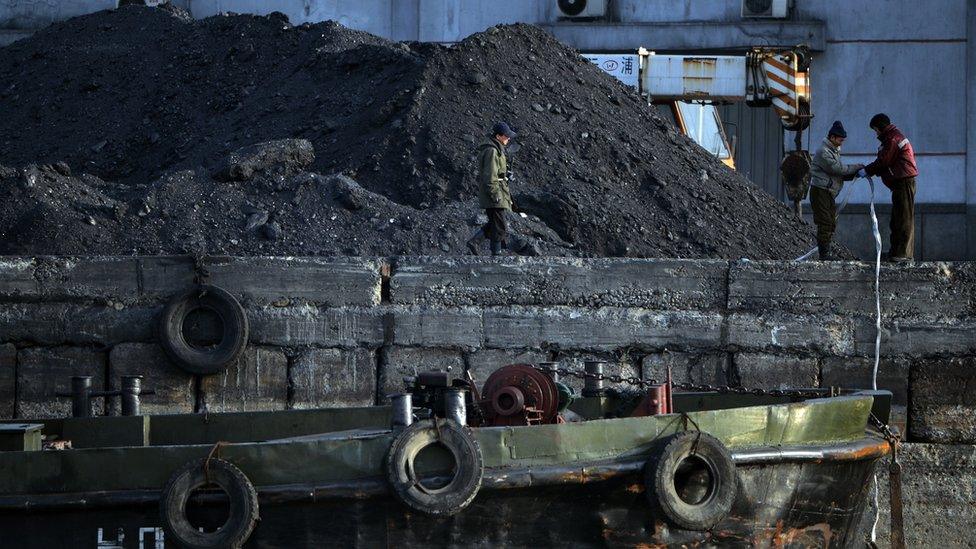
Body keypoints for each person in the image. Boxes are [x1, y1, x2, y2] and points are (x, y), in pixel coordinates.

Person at [861, 113, 918, 262]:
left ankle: (903, 254)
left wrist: (867, 170)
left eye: (875, 130)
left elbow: (884, 161)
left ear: (880, 128)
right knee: (897, 219)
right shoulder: (892, 137)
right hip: (900, 182)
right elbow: (885, 162)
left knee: (903, 218)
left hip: (903, 181)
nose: (876, 134)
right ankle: (896, 252)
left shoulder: (892, 139)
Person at [808, 121, 863, 260]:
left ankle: (826, 253)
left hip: (827, 192)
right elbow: (836, 169)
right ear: (832, 137)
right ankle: (825, 255)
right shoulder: (824, 152)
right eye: (840, 139)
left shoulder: (833, 151)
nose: (841, 142)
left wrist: (853, 174)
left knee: (830, 222)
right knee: (825, 222)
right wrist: (855, 167)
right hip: (821, 191)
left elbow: (836, 173)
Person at [467, 122, 517, 256]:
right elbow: (490, 175)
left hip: (498, 191)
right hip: (495, 193)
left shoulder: (496, 149)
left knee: (495, 223)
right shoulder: (492, 151)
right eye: (506, 136)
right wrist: (495, 194)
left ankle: (475, 242)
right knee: (500, 227)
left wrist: (506, 175)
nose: (508, 138)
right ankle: (496, 254)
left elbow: (496, 172)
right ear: (498, 136)